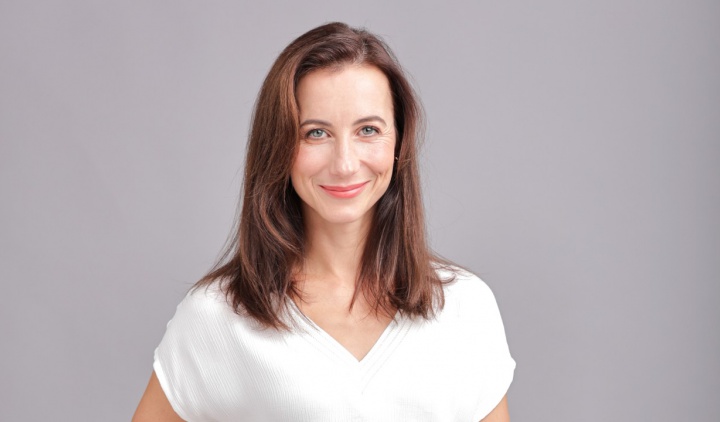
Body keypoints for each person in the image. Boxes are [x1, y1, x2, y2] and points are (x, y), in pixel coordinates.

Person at [133, 22, 515, 422]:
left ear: (399, 141)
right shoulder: (217, 316)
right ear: (278, 146)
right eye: (316, 133)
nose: (345, 164)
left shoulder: (467, 308)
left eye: (368, 130)